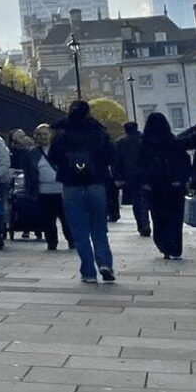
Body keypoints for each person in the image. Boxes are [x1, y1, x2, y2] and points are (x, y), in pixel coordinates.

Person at [47, 101, 117, 283]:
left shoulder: (61, 133)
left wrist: (67, 166)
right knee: (99, 228)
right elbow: (111, 154)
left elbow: (53, 156)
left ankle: (88, 271)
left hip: (71, 185)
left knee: (79, 230)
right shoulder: (98, 132)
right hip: (96, 183)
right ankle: (105, 263)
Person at [137, 113, 190, 261]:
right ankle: (175, 246)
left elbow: (140, 165)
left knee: (158, 217)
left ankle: (163, 244)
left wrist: (145, 183)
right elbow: (184, 163)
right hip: (174, 186)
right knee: (175, 218)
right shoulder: (173, 141)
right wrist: (180, 180)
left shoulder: (144, 144)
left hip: (154, 187)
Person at [32, 123, 69, 250]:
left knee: (66, 219)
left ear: (51, 135)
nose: (42, 137)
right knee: (48, 220)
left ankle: (72, 240)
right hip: (43, 192)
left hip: (62, 190)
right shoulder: (33, 153)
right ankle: (51, 243)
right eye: (39, 134)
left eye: (45, 134)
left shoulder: (62, 149)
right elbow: (29, 173)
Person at [115, 121, 149, 237]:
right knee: (145, 199)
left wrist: (118, 177)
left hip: (130, 175)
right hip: (146, 174)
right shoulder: (145, 140)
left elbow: (117, 162)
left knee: (136, 201)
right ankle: (146, 223)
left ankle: (141, 225)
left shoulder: (120, 142)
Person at [9, 129, 43, 240]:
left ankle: (35, 226)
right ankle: (27, 227)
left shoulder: (31, 151)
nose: (25, 138)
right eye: (21, 137)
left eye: (24, 136)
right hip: (17, 179)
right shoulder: (13, 151)